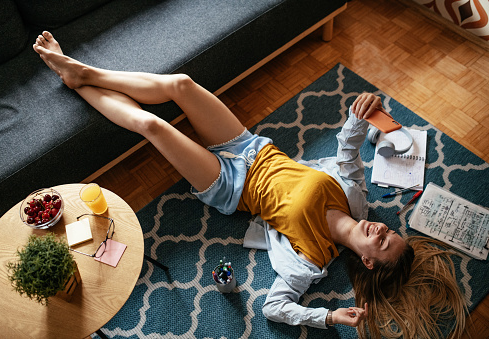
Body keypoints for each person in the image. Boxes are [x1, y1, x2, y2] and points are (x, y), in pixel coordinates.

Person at [33, 31, 468, 338]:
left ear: (369, 263)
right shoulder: (357, 201)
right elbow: (347, 153)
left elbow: (272, 309)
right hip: (252, 147)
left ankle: (74, 74)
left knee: (154, 126)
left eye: (384, 243)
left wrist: (330, 318)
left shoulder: (311, 260)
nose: (382, 230)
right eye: (391, 231)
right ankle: (82, 72)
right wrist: (359, 115)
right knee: (182, 85)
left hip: (228, 185)